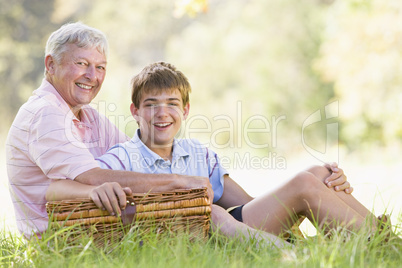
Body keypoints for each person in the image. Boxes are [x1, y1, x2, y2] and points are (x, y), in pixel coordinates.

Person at [47, 62, 384, 247]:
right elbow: (67, 186)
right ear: (135, 111)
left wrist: (316, 191)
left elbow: (248, 202)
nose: (162, 113)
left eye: (172, 104)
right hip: (205, 234)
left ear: (186, 109)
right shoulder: (120, 160)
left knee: (318, 173)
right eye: (151, 105)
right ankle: (376, 241)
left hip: (233, 222)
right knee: (304, 184)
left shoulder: (199, 153)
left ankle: (375, 238)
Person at [5, 22, 213, 240]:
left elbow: (138, 155)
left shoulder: (88, 116)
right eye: (81, 63)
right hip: (64, 243)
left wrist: (193, 164)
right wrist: (180, 182)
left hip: (99, 229)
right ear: (51, 64)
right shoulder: (44, 113)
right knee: (212, 222)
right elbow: (94, 178)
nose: (92, 76)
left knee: (214, 217)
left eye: (100, 67)